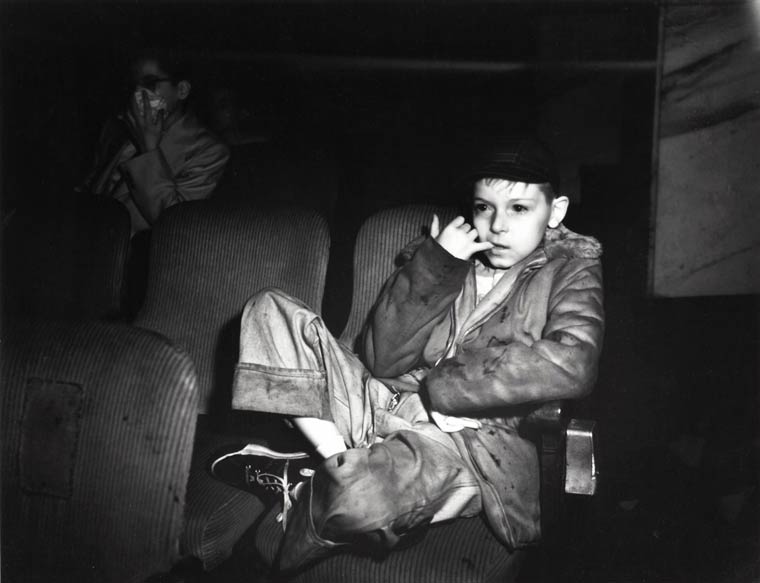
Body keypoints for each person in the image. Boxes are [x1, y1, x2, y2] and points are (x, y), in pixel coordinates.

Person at [213, 136, 604, 573]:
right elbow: (383, 362)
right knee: (268, 309)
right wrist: (437, 265)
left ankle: (326, 480)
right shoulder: (446, 254)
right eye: (483, 206)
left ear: (556, 211)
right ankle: (334, 459)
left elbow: (572, 362)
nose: (496, 225)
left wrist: (445, 390)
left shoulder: (571, 269)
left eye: (518, 208)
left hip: (469, 442)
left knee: (360, 500)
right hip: (382, 401)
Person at [77, 48, 230, 235]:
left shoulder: (207, 150)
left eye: (149, 83)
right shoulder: (117, 129)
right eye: (133, 85)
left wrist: (148, 150)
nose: (137, 93)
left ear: (181, 90)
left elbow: (175, 224)